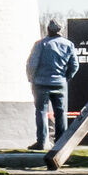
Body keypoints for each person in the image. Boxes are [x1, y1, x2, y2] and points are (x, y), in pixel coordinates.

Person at [28, 20, 79, 153]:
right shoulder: (69, 44)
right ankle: (60, 142)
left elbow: (32, 64)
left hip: (41, 83)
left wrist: (31, 79)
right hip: (60, 83)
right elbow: (75, 65)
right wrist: (66, 77)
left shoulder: (40, 44)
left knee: (41, 112)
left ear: (48, 29)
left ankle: (41, 141)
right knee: (61, 113)